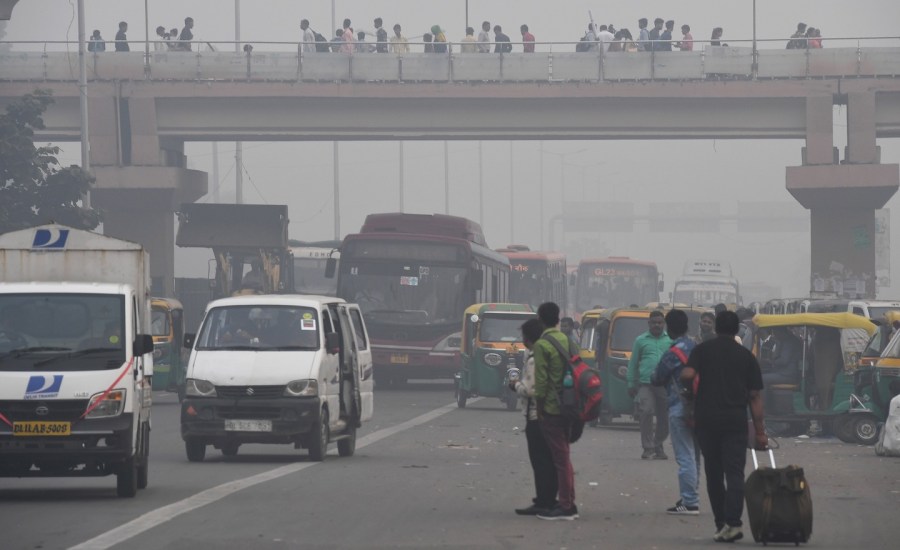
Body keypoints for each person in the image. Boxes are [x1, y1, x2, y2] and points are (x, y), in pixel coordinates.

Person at [681, 310, 767, 543]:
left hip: (707, 421)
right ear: (737, 330)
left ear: (716, 328)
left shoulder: (702, 350)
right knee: (735, 473)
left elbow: (688, 373)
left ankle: (721, 524)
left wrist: (688, 385)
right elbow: (755, 397)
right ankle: (733, 524)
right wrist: (760, 433)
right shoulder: (746, 356)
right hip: (735, 422)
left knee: (714, 473)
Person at [651, 309, 701, 516]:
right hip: (700, 406)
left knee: (684, 455)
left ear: (669, 328)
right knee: (695, 454)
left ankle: (689, 502)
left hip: (680, 405)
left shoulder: (673, 353)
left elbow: (657, 377)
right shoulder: (696, 348)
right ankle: (691, 495)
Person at [532, 302, 579, 520]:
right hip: (570, 405)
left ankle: (566, 506)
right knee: (564, 456)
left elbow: (540, 382)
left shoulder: (542, 344)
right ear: (558, 319)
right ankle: (569, 500)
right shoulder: (567, 340)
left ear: (541, 319)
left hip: (552, 407)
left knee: (560, 459)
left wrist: (539, 409)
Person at [511, 318, 558, 516]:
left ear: (528, 338)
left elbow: (530, 390)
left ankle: (544, 501)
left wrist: (514, 385)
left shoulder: (534, 359)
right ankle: (549, 499)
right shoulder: (548, 354)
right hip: (551, 414)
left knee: (540, 462)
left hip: (536, 416)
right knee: (549, 460)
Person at [627, 310, 672, 459]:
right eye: (654, 322)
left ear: (664, 324)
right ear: (649, 323)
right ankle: (648, 447)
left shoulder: (670, 340)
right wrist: (630, 383)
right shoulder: (640, 340)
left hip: (665, 385)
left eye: (660, 322)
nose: (657, 325)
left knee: (664, 418)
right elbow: (633, 364)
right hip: (646, 384)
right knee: (646, 412)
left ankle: (658, 446)